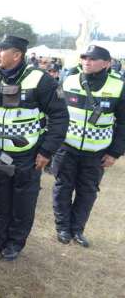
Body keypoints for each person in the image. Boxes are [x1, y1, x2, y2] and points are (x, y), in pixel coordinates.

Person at [0, 35, 69, 261]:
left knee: (23, 201)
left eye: (1, 51)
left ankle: (16, 242)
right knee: (0, 197)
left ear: (17, 54)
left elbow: (59, 117)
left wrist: (46, 150)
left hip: (28, 154)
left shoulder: (41, 80)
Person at [52, 45, 125, 248]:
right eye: (84, 58)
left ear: (107, 63)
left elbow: (123, 123)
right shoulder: (69, 79)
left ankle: (77, 230)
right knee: (62, 188)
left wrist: (114, 153)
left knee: (87, 192)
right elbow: (55, 112)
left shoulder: (118, 86)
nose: (87, 61)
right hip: (67, 148)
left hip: (97, 153)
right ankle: (63, 228)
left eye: (92, 59)